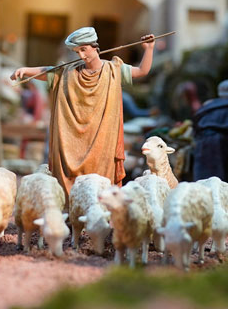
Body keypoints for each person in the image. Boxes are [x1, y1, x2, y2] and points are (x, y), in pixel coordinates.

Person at [12, 27, 155, 195]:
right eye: (77, 51)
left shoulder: (112, 70)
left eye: (83, 49)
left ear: (95, 46)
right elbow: (49, 72)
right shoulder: (70, 71)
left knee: (99, 183)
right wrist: (26, 70)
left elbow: (142, 71)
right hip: (73, 141)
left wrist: (149, 49)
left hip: (102, 140)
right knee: (69, 181)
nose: (81, 55)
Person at [192, 79, 228, 213]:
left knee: (203, 175)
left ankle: (204, 209)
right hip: (222, 142)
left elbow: (196, 124)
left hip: (203, 142)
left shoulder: (208, 106)